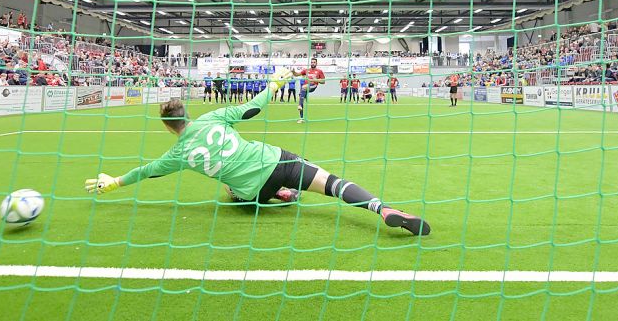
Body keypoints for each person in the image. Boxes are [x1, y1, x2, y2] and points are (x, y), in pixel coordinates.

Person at [85, 69, 430, 236]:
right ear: (187, 114)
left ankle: (277, 194)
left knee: (231, 190)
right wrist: (274, 84)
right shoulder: (213, 116)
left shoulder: (176, 154)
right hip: (278, 159)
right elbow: (251, 109)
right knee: (334, 184)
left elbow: (146, 171)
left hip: (254, 191)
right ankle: (381, 209)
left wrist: (114, 181)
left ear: (167, 128)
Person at [295, 58, 326, 124]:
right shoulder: (306, 70)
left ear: (316, 63)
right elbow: (297, 74)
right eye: (312, 62)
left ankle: (300, 105)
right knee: (301, 96)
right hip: (305, 87)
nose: (313, 63)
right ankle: (301, 118)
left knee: (303, 87)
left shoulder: (319, 71)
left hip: (313, 86)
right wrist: (293, 72)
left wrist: (316, 80)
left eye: (314, 62)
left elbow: (323, 81)